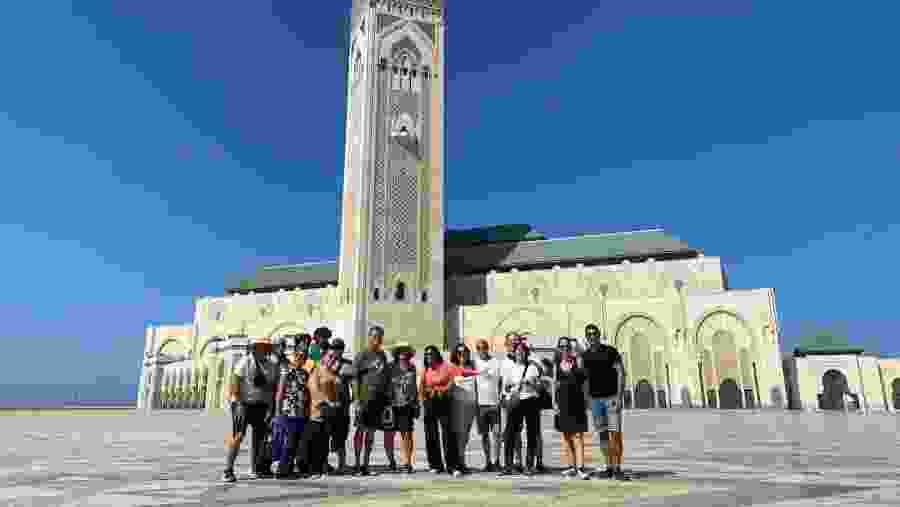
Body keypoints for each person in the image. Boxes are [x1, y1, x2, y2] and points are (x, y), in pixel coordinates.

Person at [222, 336, 280, 483]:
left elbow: (272, 389)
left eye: (265, 348)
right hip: (243, 403)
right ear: (254, 349)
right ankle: (228, 469)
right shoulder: (244, 362)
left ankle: (256, 468)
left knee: (260, 438)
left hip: (261, 405)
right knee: (238, 435)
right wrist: (235, 402)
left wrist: (270, 409)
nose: (262, 350)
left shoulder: (272, 366)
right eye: (259, 347)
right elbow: (235, 383)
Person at [581, 325, 627, 480]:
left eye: (594, 334)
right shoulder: (585, 356)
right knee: (602, 435)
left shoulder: (610, 351)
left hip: (611, 398)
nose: (592, 337)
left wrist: (619, 397)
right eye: (589, 334)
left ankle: (617, 467)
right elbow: (585, 379)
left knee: (615, 434)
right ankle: (608, 466)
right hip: (595, 401)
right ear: (586, 337)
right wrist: (587, 399)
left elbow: (620, 372)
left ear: (599, 335)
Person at [498, 341, 542, 476]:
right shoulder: (510, 368)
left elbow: (539, 387)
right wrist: (510, 387)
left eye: (522, 351)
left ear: (526, 353)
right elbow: (505, 387)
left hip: (530, 401)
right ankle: (508, 466)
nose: (520, 353)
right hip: (516, 401)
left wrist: (529, 383)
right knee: (510, 433)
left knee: (531, 434)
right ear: (514, 353)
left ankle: (529, 466)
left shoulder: (532, 368)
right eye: (517, 351)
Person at [351, 325, 390, 476]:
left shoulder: (382, 355)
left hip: (377, 400)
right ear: (369, 337)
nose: (377, 340)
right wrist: (357, 400)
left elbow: (384, 376)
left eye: (380, 337)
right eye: (374, 337)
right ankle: (357, 464)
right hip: (364, 399)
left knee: (371, 432)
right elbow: (354, 379)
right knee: (360, 430)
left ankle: (366, 464)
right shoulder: (362, 355)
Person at [273, 335, 311, 479]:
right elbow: (280, 391)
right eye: (299, 355)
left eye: (303, 356)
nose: (301, 358)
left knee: (295, 442)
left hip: (300, 412)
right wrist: (277, 413)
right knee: (287, 441)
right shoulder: (286, 370)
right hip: (288, 411)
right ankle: (282, 470)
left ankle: (288, 468)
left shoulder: (303, 373)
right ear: (294, 355)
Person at [301, 345, 341, 479]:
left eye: (334, 358)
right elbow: (314, 389)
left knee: (324, 442)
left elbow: (335, 392)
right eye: (330, 357)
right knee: (315, 443)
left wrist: (335, 402)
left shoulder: (331, 373)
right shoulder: (316, 371)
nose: (332, 360)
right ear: (323, 357)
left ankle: (321, 467)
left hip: (329, 413)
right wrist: (326, 402)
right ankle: (313, 469)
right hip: (317, 413)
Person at [554, 337, 590, 480]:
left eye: (567, 346)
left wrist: (586, 400)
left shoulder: (578, 361)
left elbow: (585, 382)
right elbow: (554, 384)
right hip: (562, 403)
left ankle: (580, 467)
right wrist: (554, 403)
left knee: (577, 435)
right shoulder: (557, 364)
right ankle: (570, 466)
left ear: (571, 348)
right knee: (566, 435)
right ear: (558, 348)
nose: (564, 349)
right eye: (561, 347)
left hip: (577, 402)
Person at [420, 345, 455, 474]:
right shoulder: (425, 369)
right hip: (430, 402)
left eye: (431, 353)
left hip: (443, 402)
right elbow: (422, 386)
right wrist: (423, 399)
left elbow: (451, 383)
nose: (429, 356)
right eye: (427, 354)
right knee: (430, 434)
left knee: (448, 434)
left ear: (437, 355)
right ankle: (435, 465)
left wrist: (440, 390)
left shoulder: (445, 367)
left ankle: (452, 465)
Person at [387, 342, 420, 474]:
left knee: (407, 434)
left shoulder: (412, 367)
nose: (403, 354)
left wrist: (416, 404)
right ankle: (391, 462)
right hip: (392, 404)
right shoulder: (390, 367)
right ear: (396, 353)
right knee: (389, 434)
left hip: (407, 405)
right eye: (400, 351)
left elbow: (414, 387)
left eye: (405, 351)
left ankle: (407, 462)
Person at [448, 343, 480, 477]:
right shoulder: (453, 368)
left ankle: (461, 460)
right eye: (459, 353)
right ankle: (459, 463)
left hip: (471, 405)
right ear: (455, 354)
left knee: (465, 436)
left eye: (465, 352)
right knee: (459, 435)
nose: (463, 355)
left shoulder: (472, 365)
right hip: (458, 405)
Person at [473, 339, 502, 472]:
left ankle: (496, 461)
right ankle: (487, 461)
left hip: (494, 403)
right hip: (480, 404)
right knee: (484, 435)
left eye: (483, 347)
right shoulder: (474, 363)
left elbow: (501, 381)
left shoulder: (496, 362)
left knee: (496, 434)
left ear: (487, 348)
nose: (481, 350)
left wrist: (501, 398)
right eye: (478, 348)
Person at [500, 332, 525, 473]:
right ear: (506, 344)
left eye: (516, 342)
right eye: (511, 342)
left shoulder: (523, 359)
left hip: (521, 400)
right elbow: (502, 382)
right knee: (508, 433)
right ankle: (508, 463)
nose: (513, 344)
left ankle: (519, 461)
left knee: (517, 432)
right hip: (506, 400)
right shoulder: (504, 362)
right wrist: (502, 397)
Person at [328, 337, 353, 475]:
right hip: (328, 406)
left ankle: (341, 464)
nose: (337, 350)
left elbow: (353, 384)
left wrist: (354, 396)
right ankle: (324, 464)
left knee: (341, 436)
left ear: (342, 350)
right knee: (326, 436)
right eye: (334, 348)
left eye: (339, 348)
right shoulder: (325, 363)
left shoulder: (348, 365)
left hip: (342, 407)